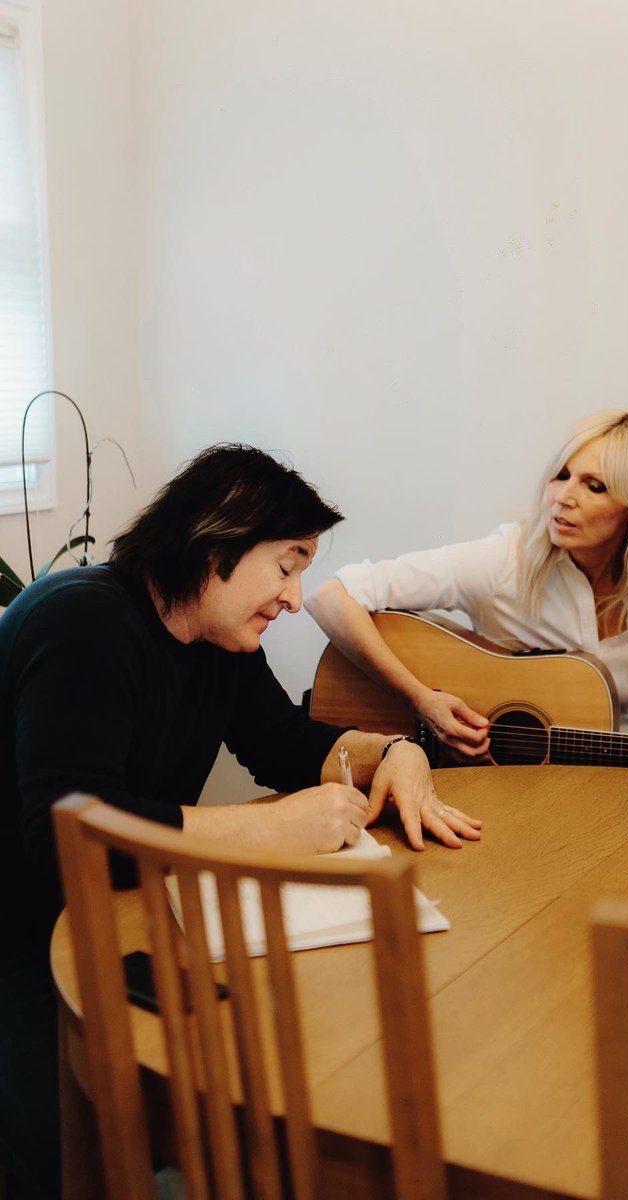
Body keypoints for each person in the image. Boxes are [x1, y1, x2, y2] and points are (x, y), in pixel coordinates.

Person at [0, 444, 480, 1200]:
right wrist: (271, 831)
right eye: (287, 565)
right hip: (25, 929)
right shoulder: (82, 623)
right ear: (217, 544)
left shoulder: (217, 635)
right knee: (68, 1159)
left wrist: (394, 751)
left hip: (128, 913)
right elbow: (66, 830)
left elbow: (284, 746)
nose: (296, 599)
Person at [307, 410, 628, 789]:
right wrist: (423, 700)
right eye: (561, 475)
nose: (563, 496)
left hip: (620, 793)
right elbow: (332, 597)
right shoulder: (506, 562)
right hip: (488, 793)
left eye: (594, 486)